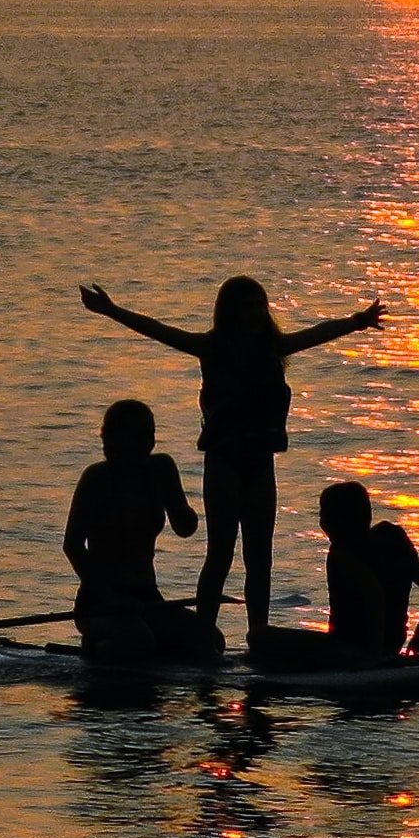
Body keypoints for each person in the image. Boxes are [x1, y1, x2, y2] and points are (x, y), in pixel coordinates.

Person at [78, 275, 383, 648]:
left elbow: (316, 333)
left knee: (260, 555)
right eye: (248, 306)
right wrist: (111, 310)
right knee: (221, 553)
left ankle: (259, 635)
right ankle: (204, 633)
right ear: (230, 312)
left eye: (260, 305)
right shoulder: (211, 347)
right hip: (224, 464)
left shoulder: (274, 347)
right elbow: (159, 331)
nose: (256, 313)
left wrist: (357, 322)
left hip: (260, 465)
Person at [62, 397, 214, 667]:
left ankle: (147, 647)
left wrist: (186, 505)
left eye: (150, 434)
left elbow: (185, 528)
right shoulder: (96, 479)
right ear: (112, 440)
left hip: (147, 598)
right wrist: (110, 598)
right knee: (138, 641)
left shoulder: (161, 469)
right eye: (136, 435)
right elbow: (72, 546)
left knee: (209, 639)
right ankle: (98, 648)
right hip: (99, 602)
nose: (146, 443)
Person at [255, 479, 419, 670]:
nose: (321, 522)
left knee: (258, 636)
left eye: (324, 514)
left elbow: (374, 594)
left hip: (349, 649)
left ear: (338, 520)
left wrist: (374, 656)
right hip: (392, 646)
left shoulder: (343, 553)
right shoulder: (394, 541)